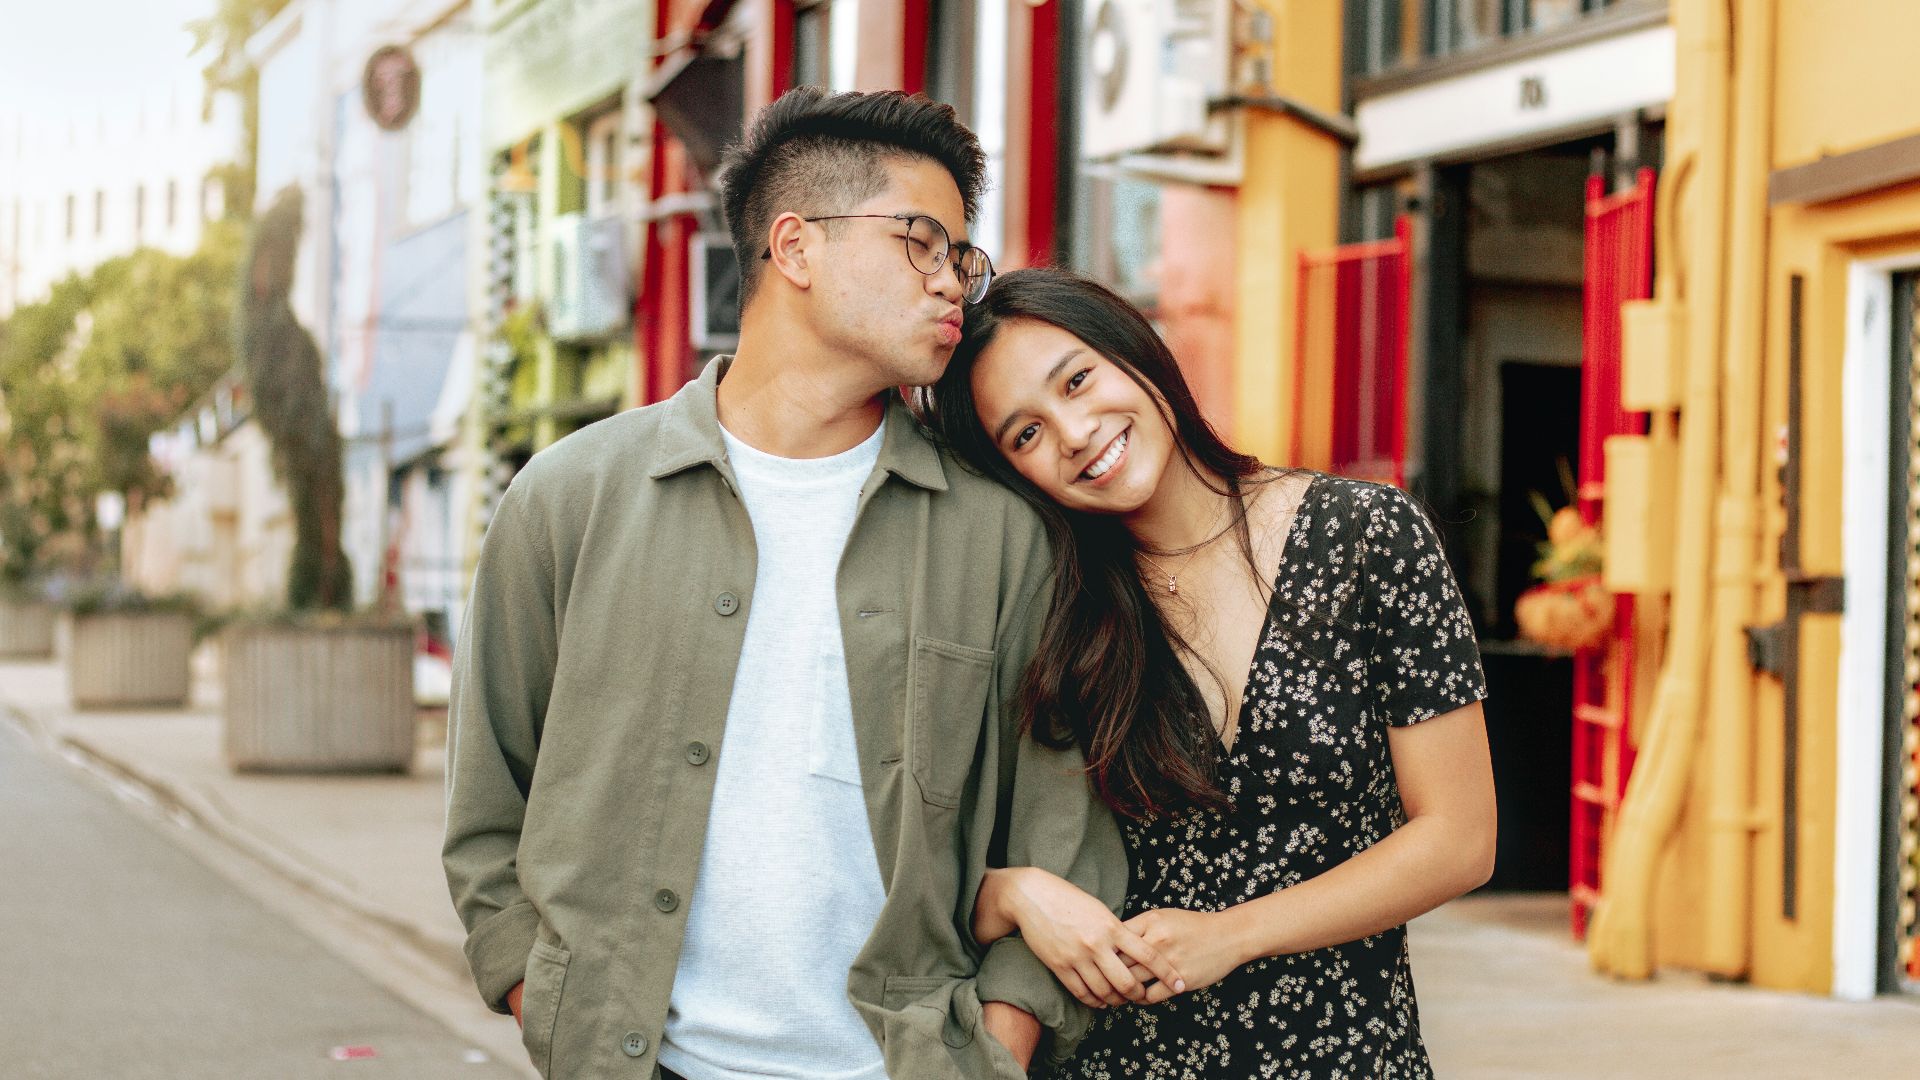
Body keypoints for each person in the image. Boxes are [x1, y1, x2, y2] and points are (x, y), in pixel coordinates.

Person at [442, 91, 1143, 1080]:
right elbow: (485, 817)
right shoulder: (570, 499)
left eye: (961, 256)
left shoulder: (1002, 537)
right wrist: (547, 1003)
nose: (954, 283)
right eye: (922, 242)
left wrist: (999, 1046)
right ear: (796, 247)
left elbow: (1061, 826)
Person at [923, 268, 1498, 1078]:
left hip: (1350, 1055)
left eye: (1078, 380)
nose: (1075, 432)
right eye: (1026, 434)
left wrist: (1232, 933)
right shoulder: (1053, 610)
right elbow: (928, 866)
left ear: (1138, 354)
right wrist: (1015, 894)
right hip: (1123, 1057)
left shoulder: (1366, 535)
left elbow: (1461, 839)